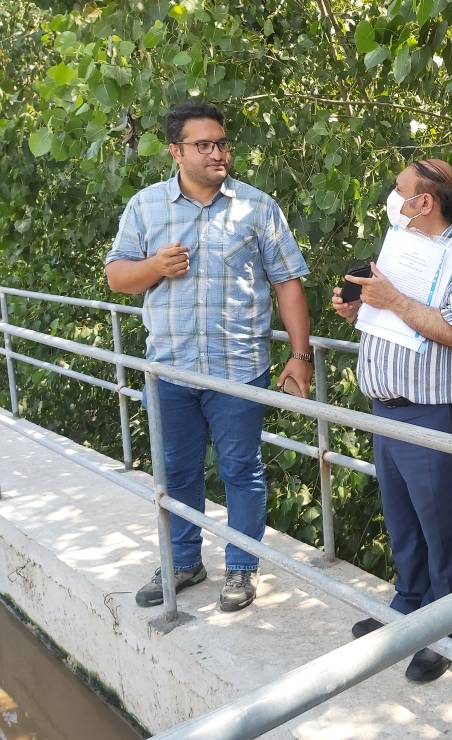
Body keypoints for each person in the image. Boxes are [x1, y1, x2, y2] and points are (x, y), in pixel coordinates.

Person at [105, 101, 311, 613]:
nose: (218, 153)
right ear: (175, 151)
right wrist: (154, 267)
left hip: (238, 369)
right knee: (177, 472)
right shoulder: (146, 206)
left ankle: (241, 566)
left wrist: (300, 355)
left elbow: (287, 282)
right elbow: (117, 277)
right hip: (169, 369)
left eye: (221, 143)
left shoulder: (257, 207)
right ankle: (183, 562)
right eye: (204, 145)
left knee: (242, 470)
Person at [331, 159, 452, 683]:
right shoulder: (398, 247)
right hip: (387, 407)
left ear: (424, 201)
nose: (392, 196)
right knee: (401, 515)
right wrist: (359, 311)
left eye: (399, 189)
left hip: (435, 409)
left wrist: (393, 299)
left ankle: (444, 630)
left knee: (440, 523)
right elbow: (392, 318)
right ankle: (408, 603)